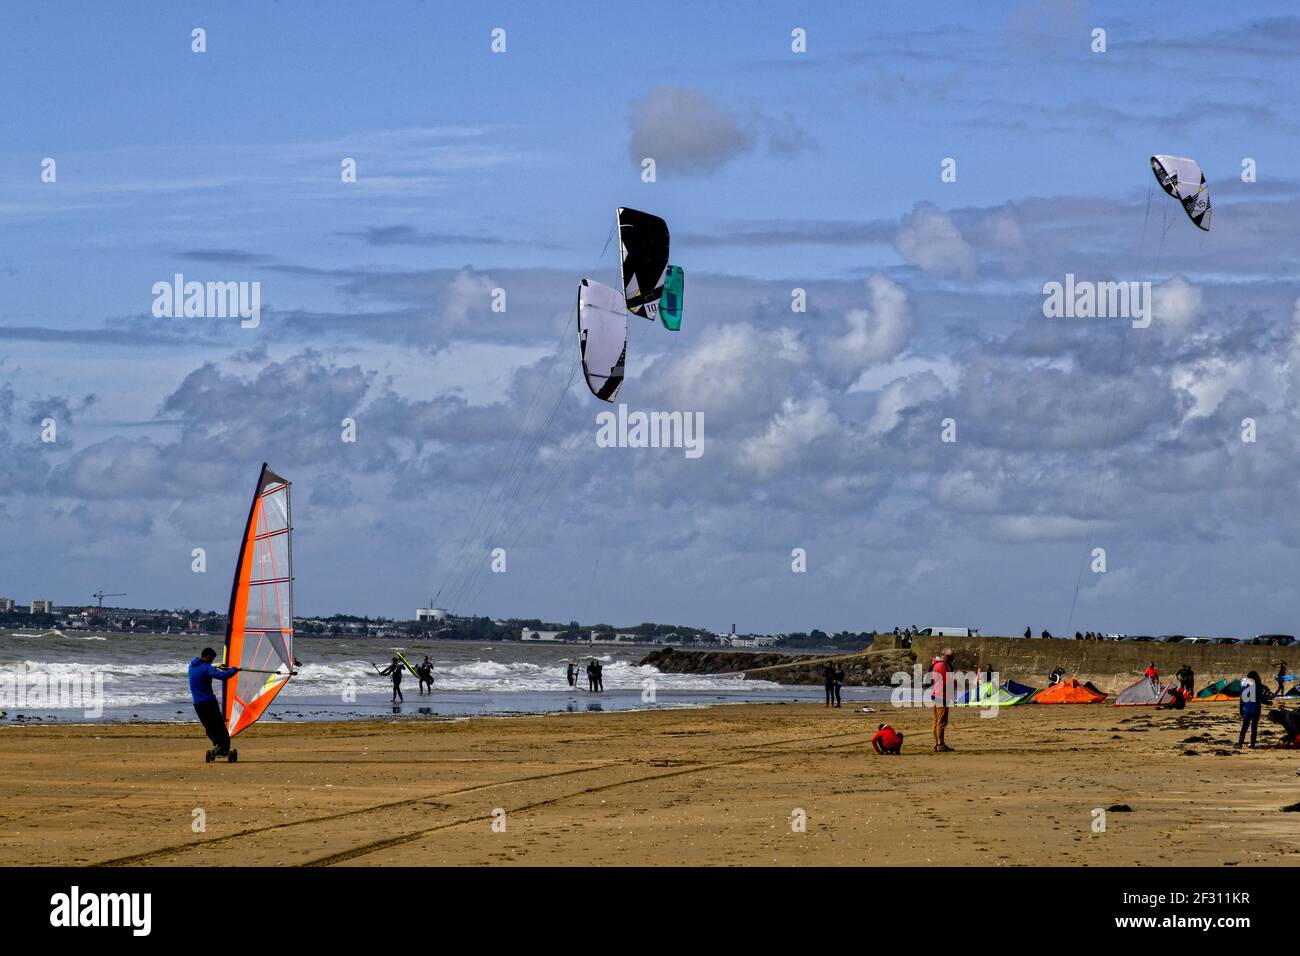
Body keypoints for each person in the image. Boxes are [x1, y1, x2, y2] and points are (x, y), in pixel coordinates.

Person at [189, 647, 239, 756]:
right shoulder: (207, 667)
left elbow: (206, 670)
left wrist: (216, 667)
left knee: (209, 727)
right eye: (211, 659)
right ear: (207, 656)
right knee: (220, 725)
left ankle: (217, 745)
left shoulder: (192, 666)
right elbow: (223, 676)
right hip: (209, 703)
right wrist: (234, 670)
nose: (212, 661)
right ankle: (224, 748)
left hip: (197, 704)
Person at [931, 648, 954, 753]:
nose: (952, 659)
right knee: (941, 722)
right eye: (951, 657)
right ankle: (940, 744)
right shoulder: (942, 665)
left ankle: (938, 743)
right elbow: (946, 682)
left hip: (937, 694)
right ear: (946, 656)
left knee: (937, 721)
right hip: (942, 696)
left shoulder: (936, 664)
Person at [1237, 671, 1264, 749]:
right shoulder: (1257, 687)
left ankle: (1239, 744)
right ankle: (1252, 744)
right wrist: (1268, 702)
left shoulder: (1243, 688)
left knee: (1244, 727)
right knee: (1254, 727)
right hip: (1255, 710)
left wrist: (1241, 711)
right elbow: (1260, 698)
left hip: (1247, 710)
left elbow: (1241, 701)